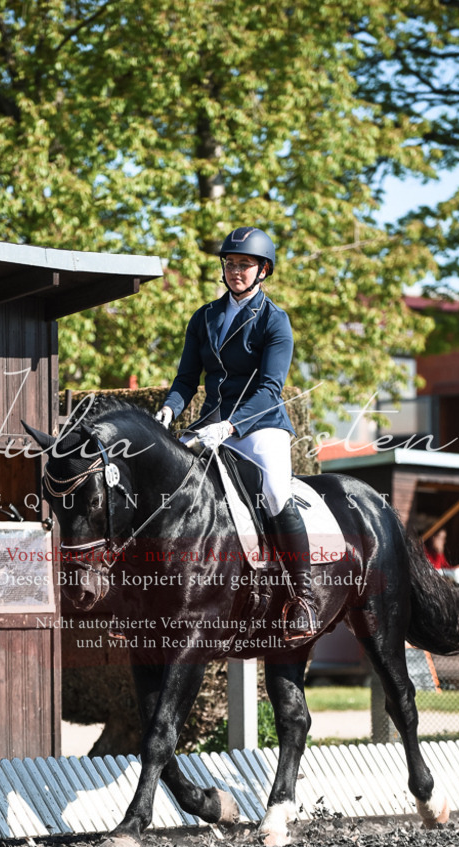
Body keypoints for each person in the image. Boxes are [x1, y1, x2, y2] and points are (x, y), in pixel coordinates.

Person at [154, 225, 321, 636]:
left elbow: (269, 388)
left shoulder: (274, 321)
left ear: (263, 270)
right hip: (211, 422)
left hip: (258, 425)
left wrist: (231, 425)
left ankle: (303, 599)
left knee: (277, 492)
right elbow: (186, 379)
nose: (235, 271)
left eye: (244, 264)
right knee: (163, 479)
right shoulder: (204, 316)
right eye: (230, 264)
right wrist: (167, 412)